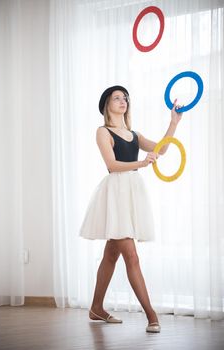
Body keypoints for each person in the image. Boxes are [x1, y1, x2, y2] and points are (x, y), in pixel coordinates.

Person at [80, 85, 182, 333]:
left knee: (111, 255)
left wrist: (174, 123)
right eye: (117, 98)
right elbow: (112, 165)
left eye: (125, 98)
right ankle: (152, 315)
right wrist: (141, 163)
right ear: (107, 105)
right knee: (131, 256)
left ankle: (96, 308)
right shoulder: (103, 131)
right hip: (116, 194)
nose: (123, 101)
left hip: (131, 193)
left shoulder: (134, 134)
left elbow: (162, 149)